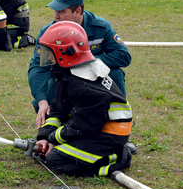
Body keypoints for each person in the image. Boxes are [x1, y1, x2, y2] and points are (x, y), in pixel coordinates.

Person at [34, 21, 133, 176]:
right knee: (47, 155)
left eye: (49, 52)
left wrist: (54, 140)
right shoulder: (68, 72)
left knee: (54, 160)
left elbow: (83, 125)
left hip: (109, 135)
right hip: (95, 127)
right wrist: (45, 136)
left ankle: (117, 158)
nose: (47, 57)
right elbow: (59, 108)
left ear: (64, 52)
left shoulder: (83, 85)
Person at [28, 0, 131, 128]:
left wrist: (84, 60)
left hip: (93, 79)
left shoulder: (100, 27)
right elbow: (39, 67)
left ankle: (119, 125)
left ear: (77, 12)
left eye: (62, 11)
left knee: (115, 74)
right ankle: (56, 128)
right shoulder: (49, 33)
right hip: (62, 80)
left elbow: (123, 56)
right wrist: (42, 102)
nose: (56, 16)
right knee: (46, 93)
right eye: (55, 10)